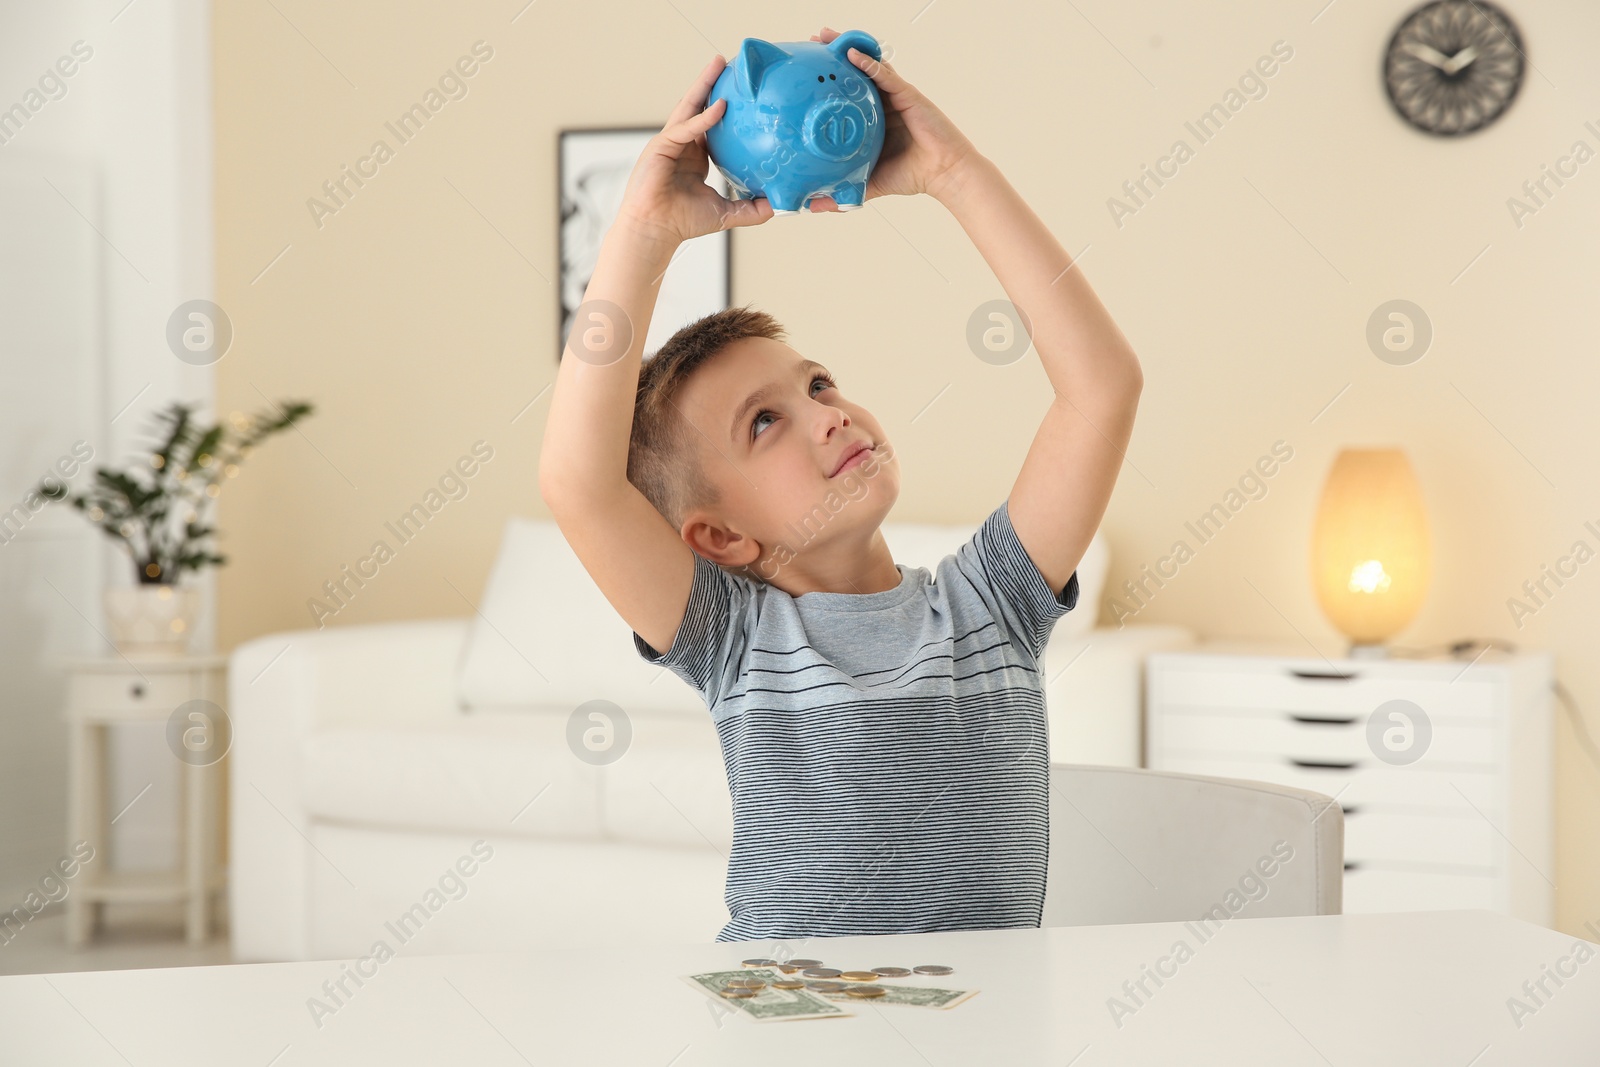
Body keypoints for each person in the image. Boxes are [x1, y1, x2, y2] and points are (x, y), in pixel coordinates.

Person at [540, 28, 1143, 943]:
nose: (828, 413)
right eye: (767, 422)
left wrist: (954, 173)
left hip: (983, 1024)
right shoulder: (735, 638)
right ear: (719, 538)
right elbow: (579, 483)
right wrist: (645, 232)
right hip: (789, 1025)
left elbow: (1102, 388)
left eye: (816, 383)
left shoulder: (991, 607)